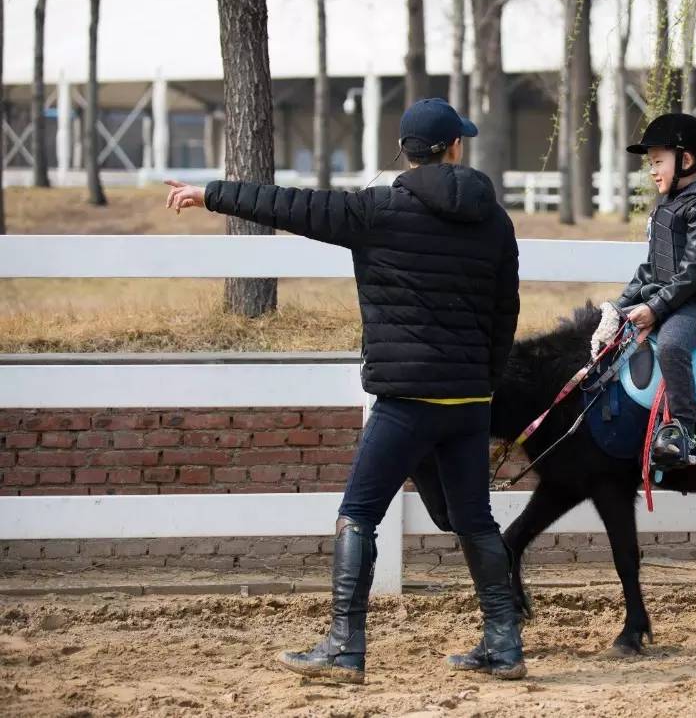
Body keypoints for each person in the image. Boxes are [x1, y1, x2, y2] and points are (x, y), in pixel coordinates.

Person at [164, 98, 525, 683]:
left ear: (405, 152)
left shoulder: (375, 211)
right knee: (475, 520)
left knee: (357, 514)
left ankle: (343, 645)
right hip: (466, 401)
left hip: (406, 401)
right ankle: (505, 645)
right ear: (455, 148)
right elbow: (504, 313)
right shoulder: (496, 220)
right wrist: (480, 387)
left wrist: (211, 193)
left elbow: (288, 206)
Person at [614, 113, 696, 469]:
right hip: (670, 297)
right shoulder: (668, 205)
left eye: (658, 162)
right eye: (650, 163)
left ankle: (682, 430)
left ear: (685, 160)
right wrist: (619, 306)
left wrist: (654, 309)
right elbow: (651, 269)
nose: (652, 170)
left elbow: (695, 271)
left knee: (670, 343)